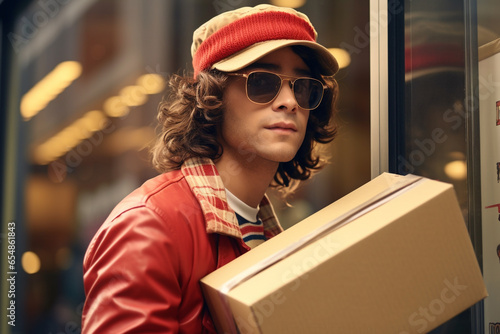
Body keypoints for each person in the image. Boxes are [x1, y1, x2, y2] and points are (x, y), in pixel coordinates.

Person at [81, 4, 339, 333]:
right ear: (210, 97)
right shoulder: (149, 226)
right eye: (262, 82)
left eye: (302, 87)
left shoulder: (270, 233)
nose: (289, 101)